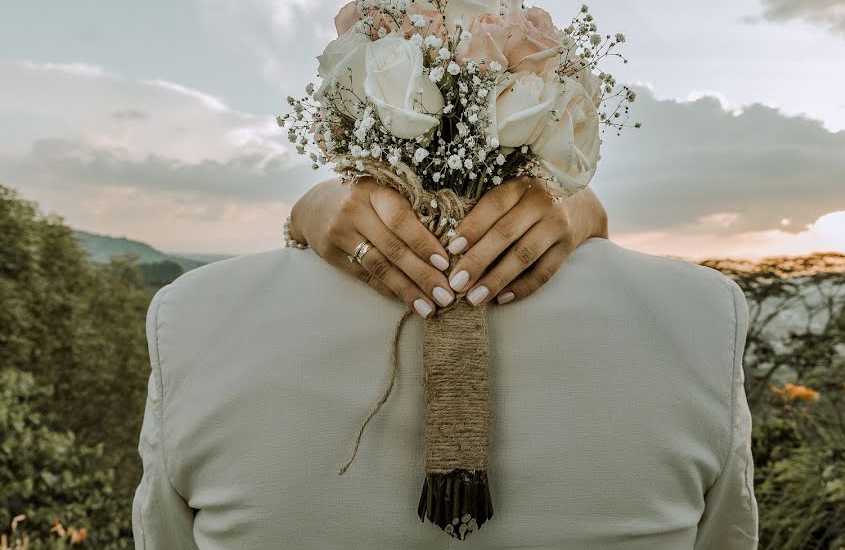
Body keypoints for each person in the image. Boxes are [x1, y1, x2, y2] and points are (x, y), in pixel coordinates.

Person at [131, 176, 758, 549]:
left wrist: (303, 212)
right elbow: (727, 536)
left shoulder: (189, 311)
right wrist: (584, 207)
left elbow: (163, 538)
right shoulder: (704, 309)